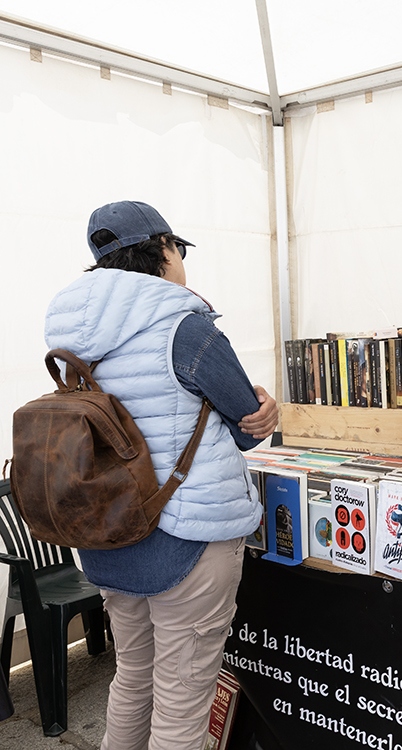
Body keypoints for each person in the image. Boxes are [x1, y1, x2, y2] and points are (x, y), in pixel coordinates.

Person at [44, 200, 279, 750]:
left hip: (108, 538)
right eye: (179, 249)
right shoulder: (185, 328)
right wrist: (265, 410)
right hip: (188, 537)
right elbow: (246, 427)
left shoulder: (69, 335)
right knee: (181, 700)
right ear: (164, 250)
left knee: (133, 681)